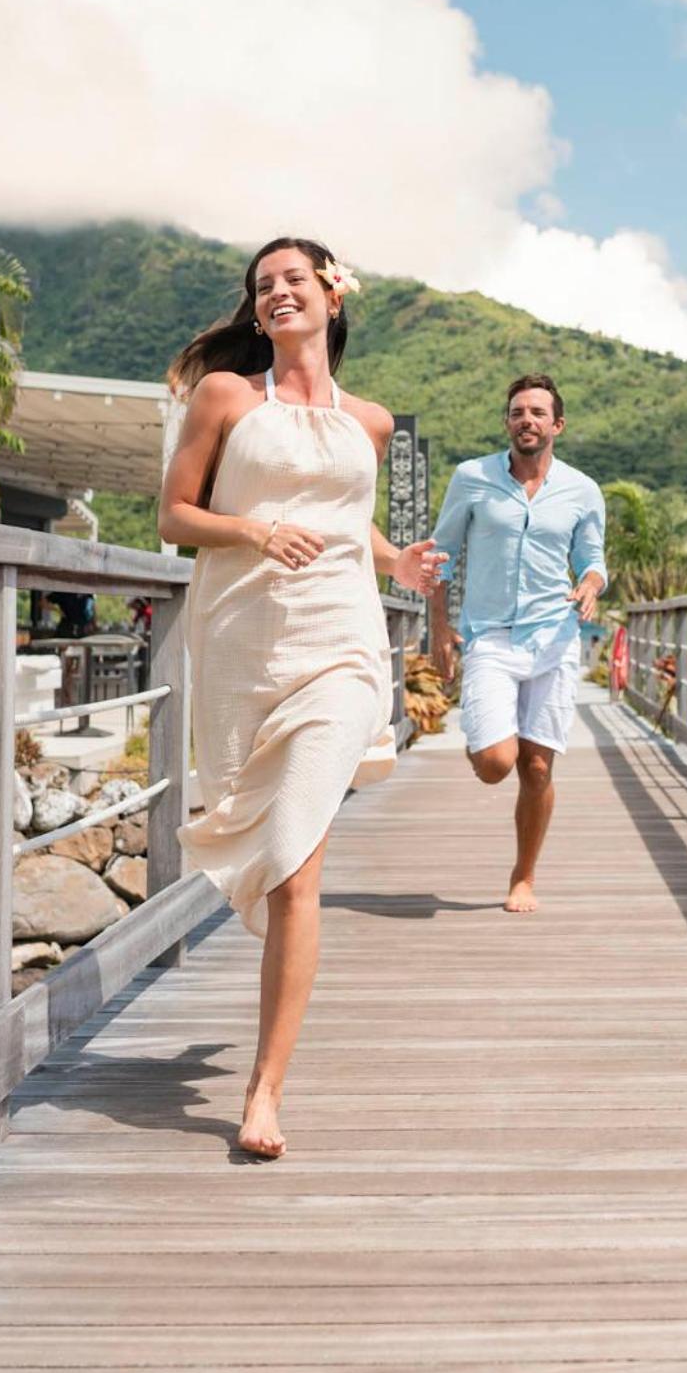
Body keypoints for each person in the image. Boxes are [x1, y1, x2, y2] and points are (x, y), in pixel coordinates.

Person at [159, 238, 444, 1158]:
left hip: (343, 645)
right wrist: (254, 530)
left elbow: (346, 520)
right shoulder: (226, 397)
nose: (277, 293)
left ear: (332, 294)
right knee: (273, 849)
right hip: (243, 644)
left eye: (293, 280)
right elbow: (174, 515)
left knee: (295, 868)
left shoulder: (371, 422)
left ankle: (265, 1091)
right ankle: (265, 1074)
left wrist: (398, 561)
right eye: (263, 286)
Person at [428, 375, 607, 913]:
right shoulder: (472, 478)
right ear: (507, 422)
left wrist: (590, 584)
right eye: (517, 412)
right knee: (495, 763)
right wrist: (440, 628)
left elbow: (593, 559)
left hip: (554, 636)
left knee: (537, 767)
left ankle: (523, 876)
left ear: (558, 425)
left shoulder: (582, 490)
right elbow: (440, 556)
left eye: (537, 412)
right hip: (489, 636)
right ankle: (482, 736)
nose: (526, 420)